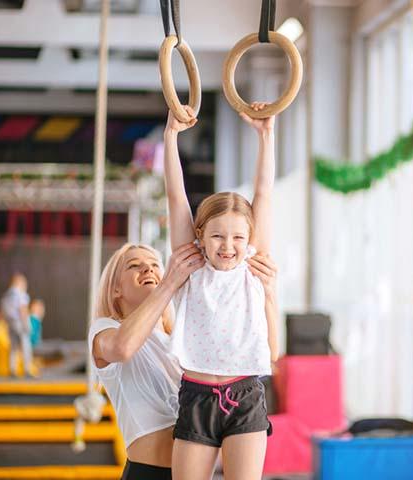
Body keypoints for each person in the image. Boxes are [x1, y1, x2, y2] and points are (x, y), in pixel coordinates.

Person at [89, 243, 280, 480]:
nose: (148, 270)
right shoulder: (105, 330)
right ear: (116, 289)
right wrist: (169, 282)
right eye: (134, 266)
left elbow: (267, 354)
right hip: (148, 473)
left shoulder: (182, 341)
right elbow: (122, 347)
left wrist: (268, 293)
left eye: (154, 265)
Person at [164, 103, 279, 480]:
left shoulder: (251, 267)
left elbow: (264, 192)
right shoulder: (192, 266)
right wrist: (171, 136)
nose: (227, 246)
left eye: (237, 237)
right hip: (196, 395)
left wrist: (266, 135)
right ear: (200, 236)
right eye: (216, 236)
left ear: (249, 240)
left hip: (244, 395)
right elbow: (177, 199)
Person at [0, 273, 33, 377]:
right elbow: (23, 309)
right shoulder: (21, 294)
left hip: (10, 323)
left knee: (13, 347)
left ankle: (12, 369)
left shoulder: (7, 294)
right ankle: (27, 369)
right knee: (26, 345)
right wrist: (27, 324)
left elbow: (1, 310)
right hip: (19, 322)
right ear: (19, 282)